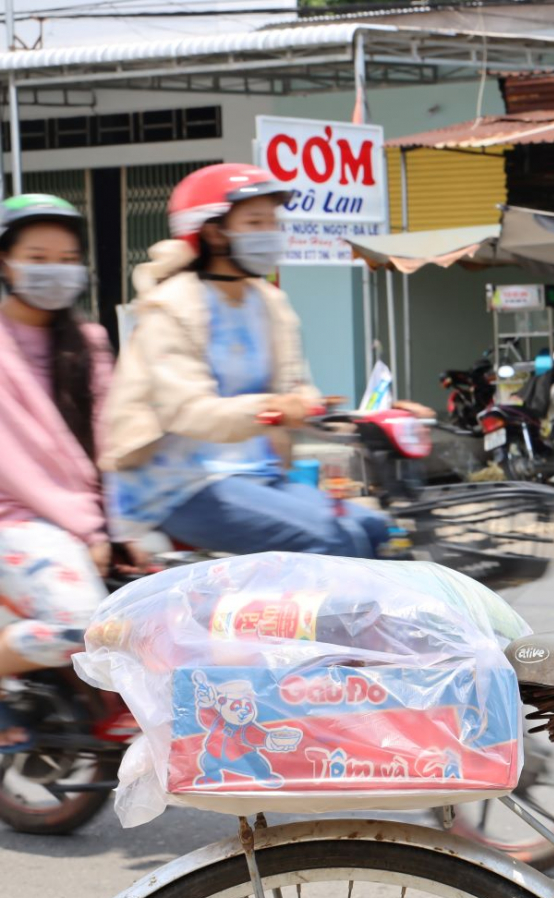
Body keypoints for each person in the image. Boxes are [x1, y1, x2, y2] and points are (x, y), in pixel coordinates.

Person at [101, 163, 393, 557]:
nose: (270, 234)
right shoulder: (168, 308)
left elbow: (294, 386)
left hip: (256, 475)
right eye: (255, 222)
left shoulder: (270, 302)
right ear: (213, 230)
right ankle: (313, 620)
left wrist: (310, 404)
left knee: (373, 527)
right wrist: (272, 409)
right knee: (335, 539)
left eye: (272, 222)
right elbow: (188, 412)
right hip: (178, 485)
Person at [0, 195, 121, 750]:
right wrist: (91, 528)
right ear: (6, 262)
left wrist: (120, 523)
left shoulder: (89, 342)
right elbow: (18, 463)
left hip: (81, 518)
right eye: (38, 256)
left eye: (67, 257)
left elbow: (113, 436)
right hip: (19, 519)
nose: (55, 269)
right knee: (86, 631)